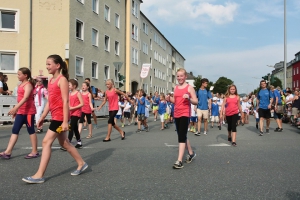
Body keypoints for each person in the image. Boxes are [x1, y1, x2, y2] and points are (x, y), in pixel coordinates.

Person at [22, 55, 88, 184]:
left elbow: (65, 101)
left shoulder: (61, 80)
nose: (47, 67)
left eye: (49, 64)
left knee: (46, 142)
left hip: (60, 116)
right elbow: (50, 102)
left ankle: (39, 175)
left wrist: (64, 121)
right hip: (55, 115)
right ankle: (81, 163)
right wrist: (42, 117)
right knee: (65, 143)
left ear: (57, 65)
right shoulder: (51, 80)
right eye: (46, 64)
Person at [0, 68, 38, 159]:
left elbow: (25, 98)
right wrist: (17, 110)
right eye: (17, 74)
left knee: (31, 130)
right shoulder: (20, 85)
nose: (18, 76)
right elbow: (20, 99)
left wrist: (15, 108)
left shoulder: (28, 85)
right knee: (15, 130)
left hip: (29, 112)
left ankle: (35, 152)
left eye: (19, 74)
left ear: (25, 75)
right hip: (21, 112)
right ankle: (8, 152)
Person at [166, 68, 198, 169]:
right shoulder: (175, 88)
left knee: (181, 137)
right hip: (177, 113)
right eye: (178, 76)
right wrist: (169, 99)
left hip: (185, 113)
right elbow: (175, 101)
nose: (179, 78)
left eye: (181, 76)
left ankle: (179, 160)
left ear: (185, 77)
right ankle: (191, 153)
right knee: (181, 134)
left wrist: (189, 98)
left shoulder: (189, 88)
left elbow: (196, 101)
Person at [68, 79, 84, 148]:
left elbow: (82, 104)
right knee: (75, 128)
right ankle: (79, 142)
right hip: (71, 112)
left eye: (69, 85)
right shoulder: (69, 93)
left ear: (74, 86)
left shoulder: (78, 93)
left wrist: (73, 108)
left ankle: (68, 143)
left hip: (77, 113)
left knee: (71, 127)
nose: (68, 86)